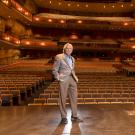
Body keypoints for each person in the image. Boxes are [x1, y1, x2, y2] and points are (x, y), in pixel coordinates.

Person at [52, 43, 83, 124]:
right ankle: (63, 117)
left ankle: (74, 116)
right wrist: (58, 78)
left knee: (74, 98)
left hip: (72, 79)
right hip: (63, 79)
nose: (69, 50)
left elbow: (72, 69)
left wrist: (75, 77)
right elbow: (55, 70)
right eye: (67, 48)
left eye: (70, 48)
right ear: (64, 49)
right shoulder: (59, 57)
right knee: (62, 98)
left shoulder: (73, 58)